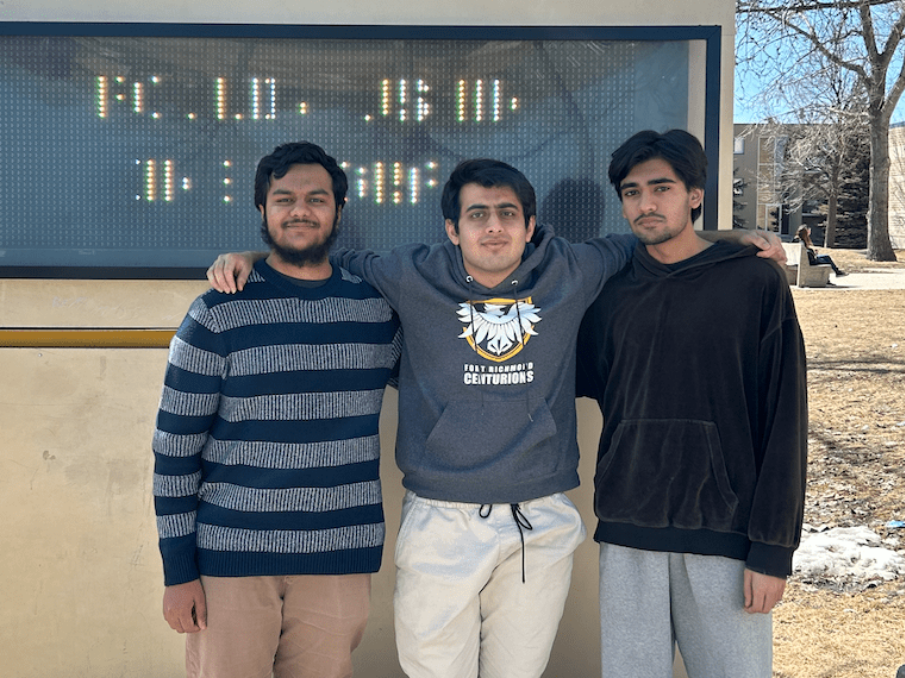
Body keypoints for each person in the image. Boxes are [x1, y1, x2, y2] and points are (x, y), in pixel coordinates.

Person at [206, 157, 786, 678]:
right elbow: (318, 251)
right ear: (452, 230)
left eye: (508, 213)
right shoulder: (407, 274)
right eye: (476, 214)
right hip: (439, 518)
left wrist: (735, 237)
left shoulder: (575, 268)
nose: (493, 226)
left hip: (539, 520)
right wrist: (250, 256)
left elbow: (658, 236)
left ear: (530, 226)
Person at [152, 141, 401, 678]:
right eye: (284, 198)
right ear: (262, 210)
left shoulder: (377, 311)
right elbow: (174, 453)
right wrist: (178, 572)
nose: (300, 210)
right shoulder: (218, 313)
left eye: (316, 198)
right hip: (231, 561)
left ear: (338, 210)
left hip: (338, 556)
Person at [576, 129, 808, 678]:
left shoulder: (755, 284)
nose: (647, 204)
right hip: (629, 529)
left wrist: (773, 550)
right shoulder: (607, 293)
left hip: (727, 536)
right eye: (632, 192)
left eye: (662, 188)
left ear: (695, 195)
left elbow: (785, 421)